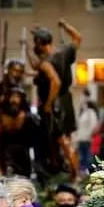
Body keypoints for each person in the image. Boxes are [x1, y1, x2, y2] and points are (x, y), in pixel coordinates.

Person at [29, 20, 82, 182]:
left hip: (56, 103)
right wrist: (66, 26)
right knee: (65, 139)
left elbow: (56, 82)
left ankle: (75, 175)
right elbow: (77, 37)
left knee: (62, 140)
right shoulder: (64, 51)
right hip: (66, 100)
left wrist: (48, 104)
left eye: (35, 42)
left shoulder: (47, 62)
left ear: (40, 43)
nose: (34, 46)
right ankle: (73, 173)